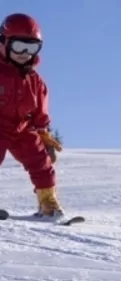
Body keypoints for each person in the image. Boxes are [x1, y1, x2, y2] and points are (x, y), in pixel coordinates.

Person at [0, 13, 64, 218]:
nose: (25, 53)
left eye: (32, 47)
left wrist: (43, 134)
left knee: (41, 162)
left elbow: (40, 110)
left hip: (22, 128)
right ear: (4, 41)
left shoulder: (36, 81)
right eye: (19, 46)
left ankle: (48, 203)